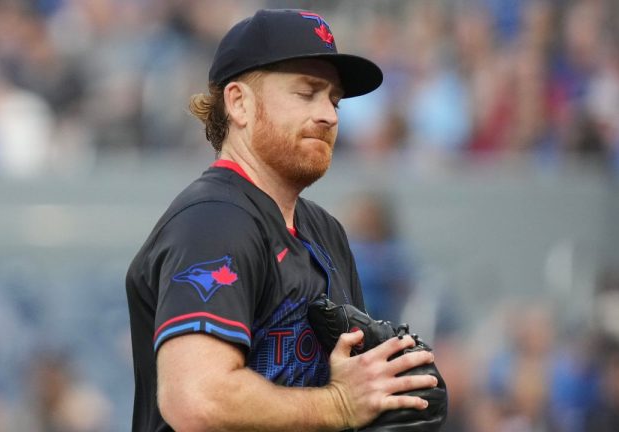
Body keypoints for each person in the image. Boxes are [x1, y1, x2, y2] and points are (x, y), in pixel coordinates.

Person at [125, 8, 438, 432]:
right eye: (306, 93)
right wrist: (341, 404)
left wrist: (377, 393)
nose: (329, 114)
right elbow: (195, 399)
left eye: (333, 99)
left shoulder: (325, 232)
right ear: (239, 103)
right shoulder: (213, 222)